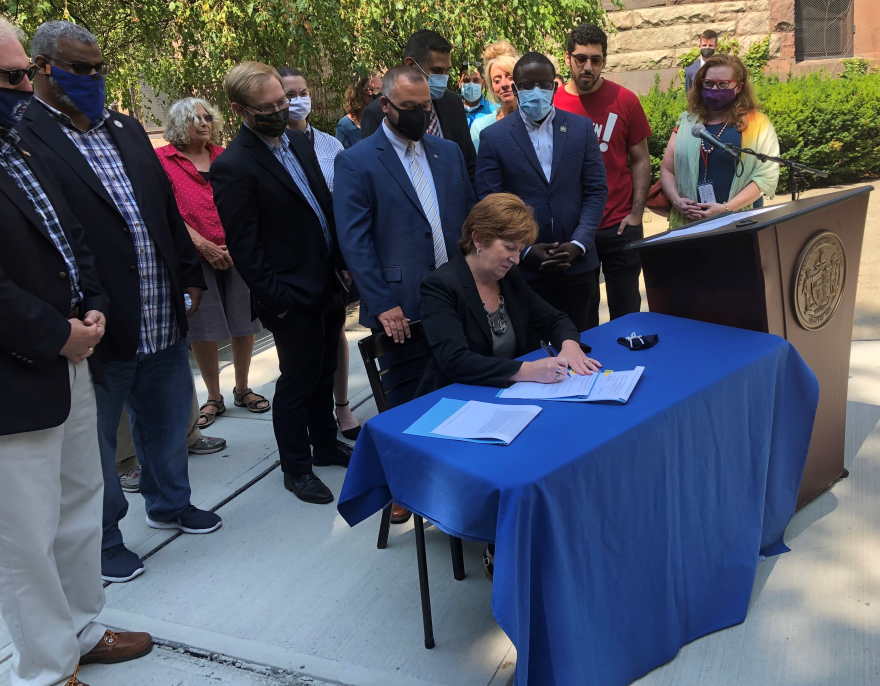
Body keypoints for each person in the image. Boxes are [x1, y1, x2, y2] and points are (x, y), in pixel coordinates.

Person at [17, 20, 221, 586]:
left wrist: (189, 271)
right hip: (98, 318)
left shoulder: (126, 128)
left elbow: (160, 206)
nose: (94, 78)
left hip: (163, 306)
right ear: (41, 69)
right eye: (79, 69)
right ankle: (104, 539)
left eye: (99, 66)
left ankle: (170, 502)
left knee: (166, 416)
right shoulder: (26, 135)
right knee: (96, 445)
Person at [0, 18, 153, 686]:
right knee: (24, 539)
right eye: (12, 78)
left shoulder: (20, 146)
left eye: (26, 76)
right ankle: (46, 669)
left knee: (79, 503)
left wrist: (92, 306)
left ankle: (83, 629)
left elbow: (73, 238)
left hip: (70, 356)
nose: (25, 88)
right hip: (16, 375)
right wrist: (55, 332)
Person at [417, 193, 602, 578]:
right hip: (456, 407)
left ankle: (556, 530)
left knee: (572, 439)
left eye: (520, 250)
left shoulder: (509, 279)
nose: (516, 259)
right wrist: (527, 372)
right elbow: (454, 361)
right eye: (509, 248)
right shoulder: (440, 286)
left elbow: (555, 318)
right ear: (479, 237)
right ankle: (502, 545)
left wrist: (568, 343)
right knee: (531, 457)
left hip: (507, 399)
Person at [334, 65, 476, 523]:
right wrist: (379, 302)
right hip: (399, 301)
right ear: (386, 106)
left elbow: (469, 220)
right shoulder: (357, 161)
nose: (419, 115)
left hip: (455, 291)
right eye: (410, 108)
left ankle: (459, 474)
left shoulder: (448, 152)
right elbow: (355, 241)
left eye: (425, 107)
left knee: (460, 386)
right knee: (408, 399)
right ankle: (402, 485)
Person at [211, 61, 353, 505]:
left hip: (328, 282)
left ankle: (325, 443)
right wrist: (281, 301)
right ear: (240, 110)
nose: (280, 110)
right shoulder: (234, 165)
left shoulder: (296, 140)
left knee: (325, 370)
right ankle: (297, 468)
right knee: (296, 383)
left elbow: (322, 206)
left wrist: (343, 265)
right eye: (267, 107)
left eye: (282, 101)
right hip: (290, 296)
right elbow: (246, 247)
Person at [156, 97, 269, 428]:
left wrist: (235, 243)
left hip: (235, 250)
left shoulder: (224, 156)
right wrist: (202, 244)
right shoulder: (162, 159)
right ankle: (213, 397)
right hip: (193, 254)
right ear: (179, 124)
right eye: (196, 118)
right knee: (203, 329)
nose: (205, 123)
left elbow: (246, 202)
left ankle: (243, 388)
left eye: (208, 117)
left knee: (243, 323)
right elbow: (166, 210)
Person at [476, 53, 608, 334]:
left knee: (585, 342)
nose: (536, 92)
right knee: (534, 353)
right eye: (526, 85)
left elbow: (596, 190)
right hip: (523, 271)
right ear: (516, 87)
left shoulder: (581, 129)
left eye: (544, 85)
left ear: (555, 87)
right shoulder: (494, 138)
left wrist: (579, 243)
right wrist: (521, 250)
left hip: (577, 266)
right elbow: (490, 204)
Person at [279, 65, 360, 440]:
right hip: (295, 268)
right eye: (289, 94)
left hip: (333, 260)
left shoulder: (331, 144)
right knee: (303, 356)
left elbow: (345, 201)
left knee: (336, 336)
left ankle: (340, 408)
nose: (299, 100)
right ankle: (311, 424)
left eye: (302, 91)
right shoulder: (272, 149)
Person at [555, 24, 652, 328]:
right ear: (567, 58)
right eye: (580, 58)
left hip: (620, 226)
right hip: (575, 229)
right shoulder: (553, 104)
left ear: (604, 62)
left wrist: (636, 214)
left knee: (627, 314)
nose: (588, 67)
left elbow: (640, 160)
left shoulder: (625, 101)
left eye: (596, 60)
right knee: (582, 317)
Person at [660, 53, 780, 229]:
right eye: (708, 83)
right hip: (689, 226)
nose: (714, 89)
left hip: (740, 223)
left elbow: (765, 176)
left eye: (723, 84)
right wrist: (677, 201)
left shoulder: (758, 124)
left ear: (738, 87)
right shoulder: (687, 122)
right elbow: (667, 170)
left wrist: (726, 209)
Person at [360, 30, 477, 186]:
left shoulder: (452, 102)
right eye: (436, 71)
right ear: (411, 64)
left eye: (446, 71)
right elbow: (375, 174)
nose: (443, 78)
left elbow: (468, 163)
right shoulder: (378, 113)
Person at [469, 40, 519, 153]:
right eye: (497, 80)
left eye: (510, 77)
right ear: (491, 87)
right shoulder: (481, 127)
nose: (504, 84)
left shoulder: (533, 121)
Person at [335, 70, 382, 149]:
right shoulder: (345, 127)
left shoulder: (384, 121)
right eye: (375, 90)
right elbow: (342, 158)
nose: (380, 96)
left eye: (382, 90)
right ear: (359, 92)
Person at [459, 60, 496, 127]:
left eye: (475, 81)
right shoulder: (449, 108)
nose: (471, 84)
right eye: (466, 80)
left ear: (483, 84)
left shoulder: (495, 111)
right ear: (460, 83)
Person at [684, 29, 718, 93]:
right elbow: (689, 97)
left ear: (716, 46)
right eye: (704, 45)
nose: (707, 48)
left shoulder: (723, 68)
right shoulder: (690, 71)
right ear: (700, 46)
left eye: (710, 45)